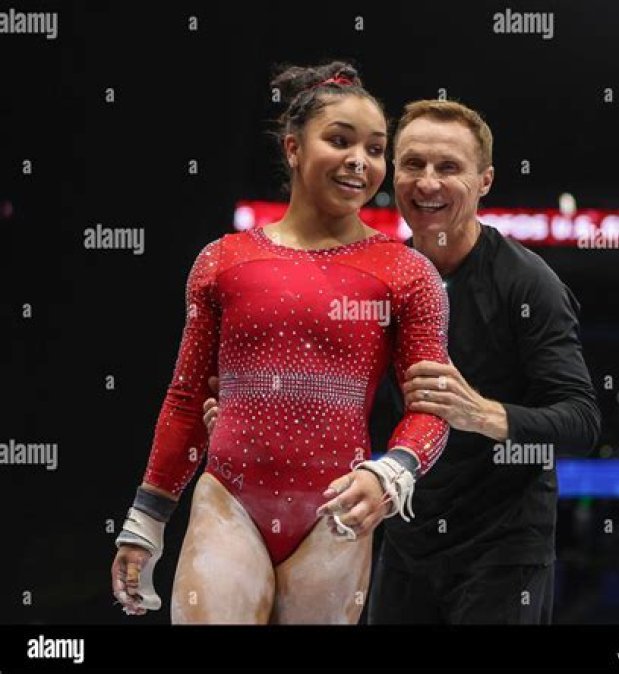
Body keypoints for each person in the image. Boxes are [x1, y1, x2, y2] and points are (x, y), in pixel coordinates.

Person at [205, 99, 601, 624]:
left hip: (502, 552)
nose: (428, 182)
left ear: (484, 181)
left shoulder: (529, 284)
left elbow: (582, 422)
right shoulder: (384, 278)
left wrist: (483, 414)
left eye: (448, 167)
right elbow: (350, 406)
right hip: (404, 539)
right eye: (413, 164)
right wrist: (253, 417)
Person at [110, 62, 451, 624]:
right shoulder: (223, 261)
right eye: (339, 141)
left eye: (374, 149)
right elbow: (187, 399)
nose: (359, 161)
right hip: (230, 499)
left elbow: (431, 407)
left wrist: (392, 471)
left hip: (336, 510)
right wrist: (146, 519)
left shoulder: (407, 273)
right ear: (293, 148)